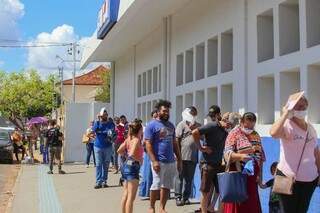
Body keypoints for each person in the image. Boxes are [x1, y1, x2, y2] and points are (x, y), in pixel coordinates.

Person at [270, 92, 319, 213]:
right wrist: (285, 114)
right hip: (287, 178)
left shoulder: (311, 128)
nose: (301, 109)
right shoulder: (287, 125)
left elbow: (316, 152)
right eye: (297, 107)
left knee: (302, 210)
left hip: (310, 180)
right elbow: (273, 133)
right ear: (291, 108)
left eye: (303, 106)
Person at [191, 106, 233, 213]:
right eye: (211, 116)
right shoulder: (212, 125)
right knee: (205, 192)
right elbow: (194, 132)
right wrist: (201, 148)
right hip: (207, 164)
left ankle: (212, 208)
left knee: (221, 191)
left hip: (219, 164)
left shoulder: (225, 131)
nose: (213, 117)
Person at [145, 100, 182, 213]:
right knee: (156, 184)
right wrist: (154, 160)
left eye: (168, 111)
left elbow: (174, 143)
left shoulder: (171, 125)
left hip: (170, 161)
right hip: (158, 161)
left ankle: (162, 208)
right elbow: (148, 144)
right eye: (164, 111)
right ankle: (151, 207)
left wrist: (179, 159)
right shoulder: (151, 125)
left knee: (166, 186)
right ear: (158, 111)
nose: (167, 113)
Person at [223, 112, 265, 213]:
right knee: (237, 205)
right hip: (237, 175)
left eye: (252, 127)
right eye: (247, 126)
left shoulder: (255, 135)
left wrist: (260, 177)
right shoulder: (234, 134)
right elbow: (227, 154)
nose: (249, 129)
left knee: (251, 205)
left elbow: (260, 158)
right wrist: (241, 156)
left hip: (252, 177)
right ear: (241, 122)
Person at [174, 106, 201, 206]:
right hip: (181, 156)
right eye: (192, 113)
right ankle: (178, 197)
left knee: (189, 179)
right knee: (179, 177)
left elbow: (203, 137)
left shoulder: (198, 125)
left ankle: (186, 198)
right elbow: (177, 140)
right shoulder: (181, 124)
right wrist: (177, 156)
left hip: (193, 157)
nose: (193, 115)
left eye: (195, 113)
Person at [118, 119, 144, 213]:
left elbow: (119, 151)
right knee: (131, 197)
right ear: (139, 130)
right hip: (133, 167)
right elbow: (132, 154)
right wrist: (140, 159)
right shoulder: (136, 140)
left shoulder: (128, 139)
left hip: (126, 166)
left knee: (125, 194)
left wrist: (126, 156)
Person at [92, 107, 116, 189]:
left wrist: (101, 132)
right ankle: (98, 181)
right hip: (98, 146)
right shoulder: (97, 122)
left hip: (108, 147)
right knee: (99, 164)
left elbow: (111, 132)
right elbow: (94, 130)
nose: (104, 116)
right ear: (100, 115)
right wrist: (98, 121)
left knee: (106, 165)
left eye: (106, 114)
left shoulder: (110, 123)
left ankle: (104, 181)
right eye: (103, 115)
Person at [139, 110, 158, 198]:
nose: (156, 118)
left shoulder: (162, 126)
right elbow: (144, 142)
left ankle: (158, 194)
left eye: (157, 116)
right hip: (149, 153)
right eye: (154, 116)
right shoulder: (149, 126)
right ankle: (147, 192)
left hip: (158, 153)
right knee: (148, 173)